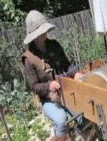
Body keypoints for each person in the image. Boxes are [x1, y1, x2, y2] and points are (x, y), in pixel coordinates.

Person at [21, 10, 84, 141]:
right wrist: (48, 85)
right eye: (40, 31)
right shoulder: (28, 58)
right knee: (61, 121)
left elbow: (67, 65)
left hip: (66, 92)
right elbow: (34, 86)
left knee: (84, 114)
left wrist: (75, 73)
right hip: (48, 99)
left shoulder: (54, 45)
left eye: (44, 30)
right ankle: (62, 137)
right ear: (33, 35)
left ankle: (79, 135)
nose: (44, 33)